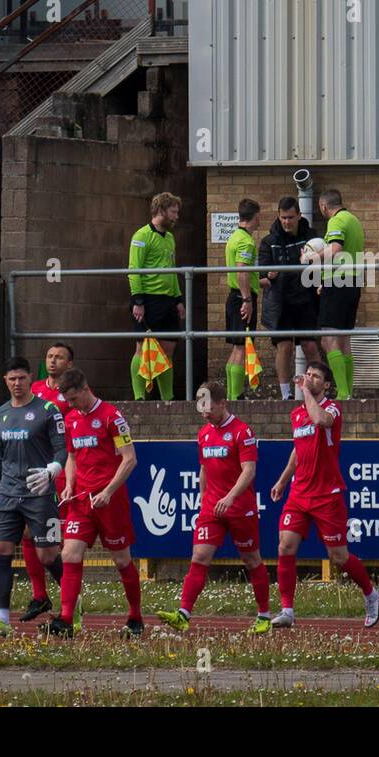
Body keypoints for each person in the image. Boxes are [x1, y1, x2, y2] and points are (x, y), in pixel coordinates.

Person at [269, 361, 379, 629]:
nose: (309, 379)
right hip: (299, 493)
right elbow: (298, 449)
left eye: (315, 377)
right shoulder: (297, 414)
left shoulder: (332, 409)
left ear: (326, 385)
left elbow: (319, 421)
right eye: (307, 375)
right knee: (285, 545)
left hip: (326, 494)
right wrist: (283, 481)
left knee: (338, 556)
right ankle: (287, 610)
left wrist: (305, 391)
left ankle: (371, 594)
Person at [156, 382, 273, 634]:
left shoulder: (243, 432)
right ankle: (183, 614)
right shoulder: (204, 434)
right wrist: (202, 501)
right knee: (199, 557)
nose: (205, 412)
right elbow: (204, 469)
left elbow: (249, 470)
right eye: (201, 407)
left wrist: (230, 497)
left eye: (209, 407)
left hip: (240, 507)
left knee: (252, 560)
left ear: (223, 403)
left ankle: (264, 616)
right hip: (211, 508)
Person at [43, 368, 143, 638]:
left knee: (122, 560)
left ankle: (135, 617)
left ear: (86, 389)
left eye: (74, 399)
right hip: (82, 501)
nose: (72, 405)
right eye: (68, 401)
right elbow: (73, 457)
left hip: (110, 501)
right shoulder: (72, 419)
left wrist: (109, 491)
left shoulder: (112, 416)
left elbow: (129, 458)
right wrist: (70, 486)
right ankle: (66, 619)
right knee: (69, 554)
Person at [0, 358, 67, 638]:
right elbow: (2, 454)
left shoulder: (48, 410)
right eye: (12, 379)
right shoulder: (0, 414)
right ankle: (2, 620)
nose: (17, 384)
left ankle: (72, 606)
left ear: (31, 379)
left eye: (21, 378)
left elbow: (61, 450)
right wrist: (3, 483)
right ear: (5, 380)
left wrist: (52, 471)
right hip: (8, 492)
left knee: (47, 554)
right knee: (0, 550)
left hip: (40, 493)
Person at [20, 341, 75, 620]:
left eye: (60, 357)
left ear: (70, 364)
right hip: (37, 476)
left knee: (53, 545)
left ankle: (71, 602)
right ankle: (40, 595)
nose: (53, 361)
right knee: (28, 534)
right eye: (50, 356)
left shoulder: (72, 394)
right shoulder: (35, 391)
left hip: (63, 474)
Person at [258, 197, 322, 401]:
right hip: (281, 302)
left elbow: (323, 263)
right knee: (284, 347)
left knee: (310, 346)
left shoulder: (311, 237)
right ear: (278, 216)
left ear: (299, 216)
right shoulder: (269, 241)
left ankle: (317, 391)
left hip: (306, 300)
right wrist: (268, 276)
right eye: (283, 218)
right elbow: (260, 277)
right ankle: (286, 395)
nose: (287, 222)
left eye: (291, 218)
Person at [129, 193, 184, 401]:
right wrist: (138, 301)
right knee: (143, 347)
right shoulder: (141, 236)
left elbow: (171, 269)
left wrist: (178, 299)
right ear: (161, 210)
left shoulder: (170, 237)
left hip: (168, 300)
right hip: (148, 300)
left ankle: (167, 398)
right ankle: (138, 397)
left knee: (168, 348)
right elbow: (134, 269)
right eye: (173, 212)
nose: (176, 216)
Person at [315, 189, 365, 401]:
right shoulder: (354, 221)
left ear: (323, 206)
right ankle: (348, 392)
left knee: (328, 339)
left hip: (338, 282)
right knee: (344, 339)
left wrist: (312, 257)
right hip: (353, 281)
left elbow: (335, 250)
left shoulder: (335, 222)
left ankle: (343, 393)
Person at [225, 199, 261, 401]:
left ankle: (230, 395)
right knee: (241, 346)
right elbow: (241, 271)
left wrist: (260, 282)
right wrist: (247, 299)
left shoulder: (234, 237)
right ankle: (236, 396)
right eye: (259, 217)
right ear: (255, 216)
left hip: (234, 295)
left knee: (236, 347)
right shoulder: (246, 241)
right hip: (242, 298)